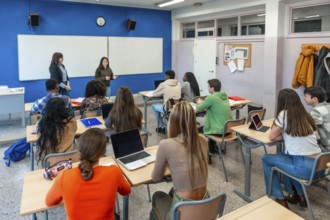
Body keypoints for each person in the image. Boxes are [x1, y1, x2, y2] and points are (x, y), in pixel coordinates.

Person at [45, 128, 131, 220]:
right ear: (103, 152)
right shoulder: (114, 172)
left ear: (79, 151)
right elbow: (126, 190)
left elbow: (49, 202)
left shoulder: (64, 176)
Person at [262, 89, 322, 209]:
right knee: (284, 156)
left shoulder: (283, 114)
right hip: (320, 166)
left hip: (304, 168)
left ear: (281, 102)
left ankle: (279, 198)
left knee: (266, 159)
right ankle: (300, 196)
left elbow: (272, 136)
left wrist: (282, 132)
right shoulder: (306, 114)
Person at [150, 101, 209, 220]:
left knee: (157, 195)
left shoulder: (165, 145)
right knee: (173, 190)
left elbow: (156, 177)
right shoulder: (203, 140)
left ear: (173, 121)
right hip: (205, 205)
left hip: (182, 211)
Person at [195, 79, 232, 153]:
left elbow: (199, 108)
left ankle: (202, 152)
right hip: (228, 129)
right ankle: (212, 148)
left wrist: (199, 102)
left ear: (212, 88)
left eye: (208, 86)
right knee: (212, 124)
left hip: (219, 131)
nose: (207, 88)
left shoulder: (211, 98)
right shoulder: (225, 97)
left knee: (196, 131)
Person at [36, 97, 77, 163]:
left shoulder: (43, 125)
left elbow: (40, 139)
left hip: (51, 162)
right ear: (64, 109)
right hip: (70, 160)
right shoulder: (72, 122)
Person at [304, 86, 330, 151]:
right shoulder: (328, 106)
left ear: (315, 99)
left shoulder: (316, 111)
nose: (304, 98)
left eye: (306, 96)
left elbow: (310, 129)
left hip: (326, 148)